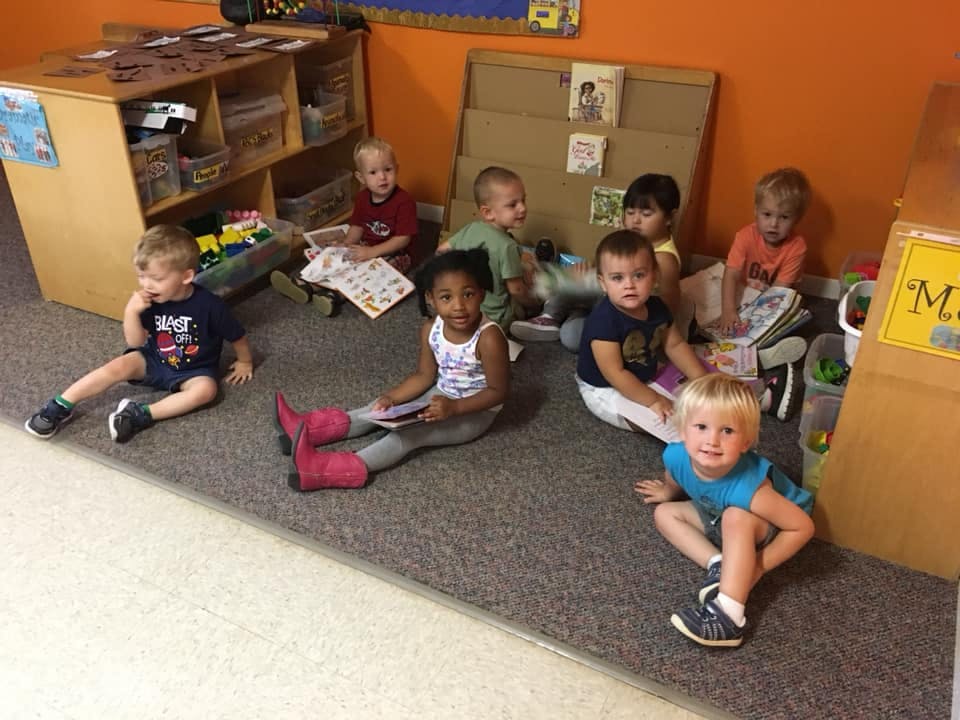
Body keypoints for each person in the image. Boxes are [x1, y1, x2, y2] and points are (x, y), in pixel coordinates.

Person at [272, 248, 510, 490]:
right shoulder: (431, 328)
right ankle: (304, 430)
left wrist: (455, 407)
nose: (459, 306)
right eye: (447, 297)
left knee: (409, 434)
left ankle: (321, 471)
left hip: (475, 412)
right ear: (431, 298)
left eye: (468, 294)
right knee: (378, 409)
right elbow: (424, 375)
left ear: (481, 294)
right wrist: (390, 398)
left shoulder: (489, 338)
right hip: (441, 394)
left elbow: (498, 392)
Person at [25, 225, 254, 443]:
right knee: (118, 365)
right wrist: (131, 312)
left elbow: (236, 335)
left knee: (206, 391)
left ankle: (140, 413)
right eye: (141, 276)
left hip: (195, 369)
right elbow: (135, 341)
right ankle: (61, 404)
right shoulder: (149, 300)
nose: (147, 285)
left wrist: (245, 361)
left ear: (186, 276)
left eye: (157, 278)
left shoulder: (210, 306)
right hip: (154, 358)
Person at [634, 373, 814, 647]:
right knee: (664, 513)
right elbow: (674, 475)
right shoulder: (675, 454)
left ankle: (730, 616)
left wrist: (757, 566)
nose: (712, 440)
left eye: (727, 431)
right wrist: (668, 492)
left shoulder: (752, 490)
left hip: (769, 523)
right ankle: (719, 564)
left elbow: (802, 527)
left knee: (735, 516)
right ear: (683, 431)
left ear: (746, 443)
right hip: (718, 512)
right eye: (701, 426)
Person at [511, 173, 693, 351]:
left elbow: (667, 308)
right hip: (604, 300)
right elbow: (604, 263)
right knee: (577, 282)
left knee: (571, 335)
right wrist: (587, 269)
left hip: (623, 316)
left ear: (669, 217)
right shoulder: (629, 239)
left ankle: (565, 311)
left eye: (646, 214)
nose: (635, 220)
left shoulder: (664, 259)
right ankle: (549, 316)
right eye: (630, 212)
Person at [575, 230, 707, 443]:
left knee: (694, 399)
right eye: (617, 278)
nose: (629, 284)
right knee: (664, 419)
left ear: (654, 275)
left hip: (642, 374)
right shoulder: (603, 322)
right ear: (602, 283)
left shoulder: (657, 307)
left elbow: (675, 344)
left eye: (638, 275)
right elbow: (615, 374)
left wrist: (701, 378)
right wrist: (653, 401)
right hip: (604, 387)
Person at [271, 136, 418, 314]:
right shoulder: (363, 198)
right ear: (361, 177)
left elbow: (403, 239)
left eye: (388, 169)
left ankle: (335, 297)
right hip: (368, 245)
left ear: (397, 169)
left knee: (373, 274)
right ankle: (306, 285)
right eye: (373, 172)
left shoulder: (404, 201)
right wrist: (347, 244)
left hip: (397, 252)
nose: (382, 177)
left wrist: (373, 252)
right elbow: (357, 226)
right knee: (341, 260)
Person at [720, 167, 812, 420]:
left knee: (793, 319)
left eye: (784, 217)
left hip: (774, 300)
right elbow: (730, 274)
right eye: (767, 214)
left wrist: (753, 322)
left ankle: (765, 357)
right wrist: (728, 310)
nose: (773, 224)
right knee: (708, 290)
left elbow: (779, 294)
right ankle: (756, 355)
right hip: (745, 294)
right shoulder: (745, 236)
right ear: (756, 212)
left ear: (796, 219)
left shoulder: (797, 246)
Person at [436, 166, 539, 331]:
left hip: (465, 309)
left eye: (523, 200)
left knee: (523, 259)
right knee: (533, 274)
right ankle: (535, 320)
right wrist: (535, 303)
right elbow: (516, 289)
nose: (523, 208)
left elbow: (441, 251)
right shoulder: (507, 246)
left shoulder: (471, 228)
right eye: (513, 205)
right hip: (494, 320)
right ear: (488, 212)